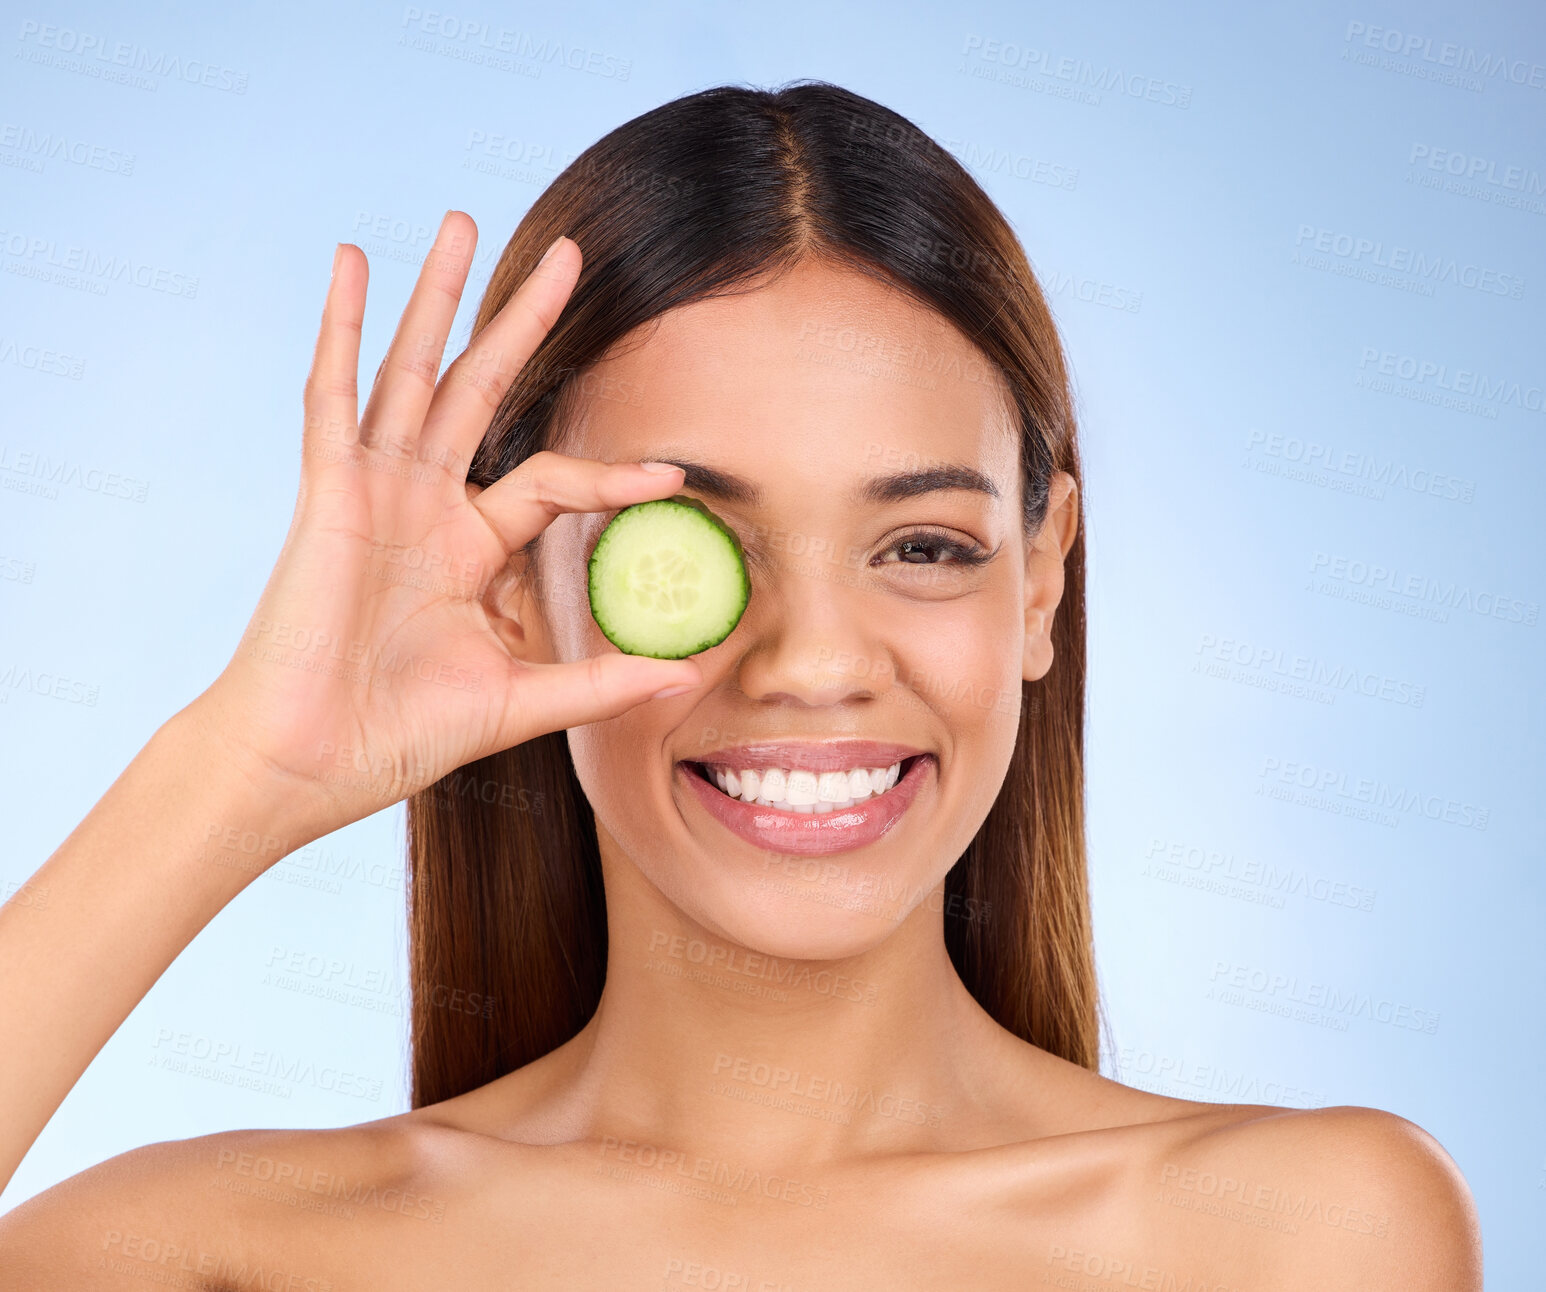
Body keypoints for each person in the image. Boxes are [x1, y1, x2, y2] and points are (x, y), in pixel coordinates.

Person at [0, 80, 1480, 1289]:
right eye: (694, 541)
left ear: (1043, 578)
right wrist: (244, 768)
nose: (816, 661)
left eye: (920, 543)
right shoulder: (217, 1255)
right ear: (521, 583)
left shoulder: (1301, 1233)